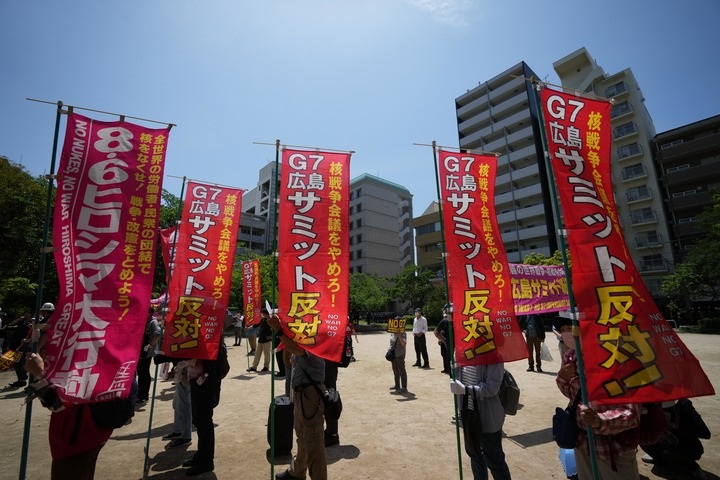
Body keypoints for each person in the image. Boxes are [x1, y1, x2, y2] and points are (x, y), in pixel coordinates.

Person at [24, 352, 114, 480]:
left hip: (75, 436)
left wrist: (39, 373)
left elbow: (57, 402)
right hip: (91, 431)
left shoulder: (88, 353)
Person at [557, 345, 641, 479]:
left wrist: (599, 420)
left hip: (614, 449)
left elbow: (631, 413)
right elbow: (572, 395)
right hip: (582, 444)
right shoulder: (571, 356)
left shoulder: (621, 357)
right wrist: (562, 378)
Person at [267, 313, 328, 480]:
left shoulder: (313, 334)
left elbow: (297, 350)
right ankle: (297, 472)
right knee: (302, 436)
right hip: (302, 394)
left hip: (310, 395)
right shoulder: (304, 335)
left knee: (313, 441)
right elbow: (291, 357)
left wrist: (279, 330)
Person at [450, 361, 512, 480]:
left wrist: (466, 390)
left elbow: (492, 388)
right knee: (475, 456)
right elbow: (458, 378)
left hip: (488, 417)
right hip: (468, 412)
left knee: (494, 461)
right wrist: (454, 368)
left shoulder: (493, 355)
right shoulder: (463, 352)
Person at [640, 398, 711, 478]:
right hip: (663, 440)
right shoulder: (650, 405)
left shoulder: (684, 405)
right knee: (643, 439)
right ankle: (660, 459)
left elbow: (705, 433)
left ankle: (693, 467)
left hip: (683, 444)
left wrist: (677, 426)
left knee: (667, 453)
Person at [182, 342, 223, 476]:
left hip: (205, 383)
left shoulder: (210, 335)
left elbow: (204, 354)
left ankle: (206, 461)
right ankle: (201, 454)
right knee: (199, 421)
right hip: (197, 380)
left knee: (204, 422)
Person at [162, 359, 193, 449]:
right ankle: (178, 430)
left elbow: (189, 358)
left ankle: (186, 437)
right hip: (182, 373)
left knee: (184, 407)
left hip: (187, 373)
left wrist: (175, 369)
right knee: (177, 404)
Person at [136, 308, 162, 404]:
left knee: (144, 373)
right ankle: (140, 393)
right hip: (141, 351)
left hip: (147, 352)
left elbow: (158, 333)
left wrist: (151, 345)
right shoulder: (144, 321)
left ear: (150, 313)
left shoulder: (152, 322)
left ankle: (144, 395)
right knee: (140, 372)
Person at [7, 312, 32, 387]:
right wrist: (18, 319)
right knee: (16, 363)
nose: (26, 315)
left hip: (23, 345)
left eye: (28, 314)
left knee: (20, 363)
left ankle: (23, 379)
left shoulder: (31, 323)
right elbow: (11, 324)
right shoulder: (21, 321)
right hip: (16, 343)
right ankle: (20, 379)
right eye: (25, 314)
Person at [389, 316, 408, 393]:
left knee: (401, 370)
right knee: (395, 370)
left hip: (400, 353)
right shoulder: (392, 331)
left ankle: (404, 387)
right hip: (393, 353)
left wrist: (399, 335)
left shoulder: (403, 332)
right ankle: (397, 385)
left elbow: (404, 344)